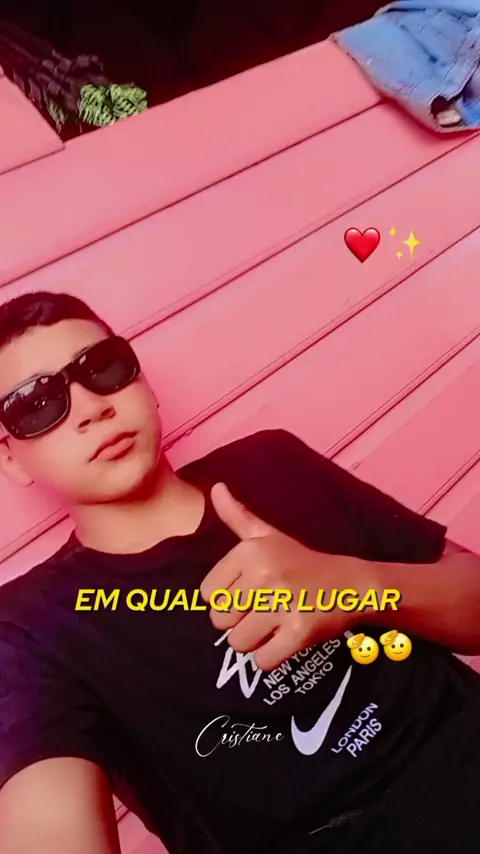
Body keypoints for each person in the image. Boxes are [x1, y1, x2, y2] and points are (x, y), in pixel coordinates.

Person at [0, 291, 479, 854]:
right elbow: (45, 818)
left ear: (144, 382)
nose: (90, 407)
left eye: (103, 366)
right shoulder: (33, 627)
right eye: (36, 404)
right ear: (9, 458)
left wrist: (357, 586)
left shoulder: (270, 465)